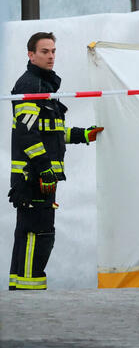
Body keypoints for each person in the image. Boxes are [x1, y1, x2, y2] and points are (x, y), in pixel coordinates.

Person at [8, 32, 103, 290]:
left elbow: (51, 132)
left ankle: (23, 289)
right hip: (32, 178)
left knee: (37, 235)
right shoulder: (30, 85)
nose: (51, 56)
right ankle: (27, 293)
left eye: (53, 51)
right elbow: (27, 134)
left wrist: (83, 135)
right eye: (44, 51)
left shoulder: (45, 86)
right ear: (31, 55)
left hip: (42, 176)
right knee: (35, 235)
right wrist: (44, 169)